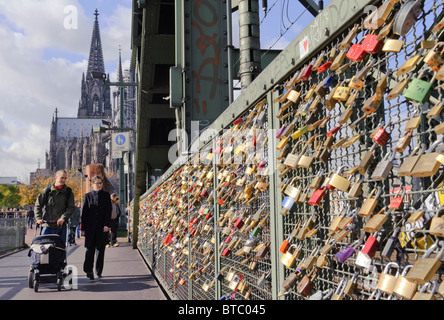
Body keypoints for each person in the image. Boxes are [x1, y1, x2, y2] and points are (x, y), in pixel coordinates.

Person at [81, 175, 112, 280]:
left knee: (100, 250)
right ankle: (88, 270)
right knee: (89, 250)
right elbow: (84, 213)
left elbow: (108, 212)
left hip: (102, 227)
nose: (99, 185)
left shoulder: (106, 195)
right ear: (92, 184)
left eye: (100, 183)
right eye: (97, 183)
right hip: (90, 228)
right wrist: (83, 228)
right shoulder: (88, 196)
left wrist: (107, 225)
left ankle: (98, 271)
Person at [34, 169, 75, 243]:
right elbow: (38, 205)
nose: (64, 180)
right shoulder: (47, 191)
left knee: (60, 250)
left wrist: (63, 217)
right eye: (62, 178)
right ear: (56, 177)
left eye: (65, 178)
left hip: (61, 226)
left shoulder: (68, 192)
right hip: (47, 225)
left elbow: (71, 208)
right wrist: (38, 218)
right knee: (44, 249)